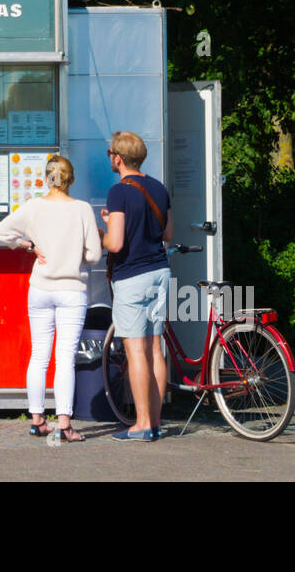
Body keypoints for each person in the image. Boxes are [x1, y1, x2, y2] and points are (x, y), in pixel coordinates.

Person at [0, 155, 102, 443]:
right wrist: (74, 252)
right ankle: (65, 424)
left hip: (39, 289)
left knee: (39, 355)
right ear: (71, 179)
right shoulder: (82, 209)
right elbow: (93, 256)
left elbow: (0, 232)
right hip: (71, 290)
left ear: (46, 178)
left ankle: (38, 421)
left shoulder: (34, 207)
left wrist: (27, 245)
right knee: (64, 357)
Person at [101, 131, 174, 442]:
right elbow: (168, 233)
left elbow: (116, 243)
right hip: (160, 272)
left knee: (135, 351)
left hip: (132, 277)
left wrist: (103, 231)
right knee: (155, 349)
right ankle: (155, 422)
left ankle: (141, 424)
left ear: (118, 158)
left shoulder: (118, 192)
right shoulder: (158, 188)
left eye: (111, 155)